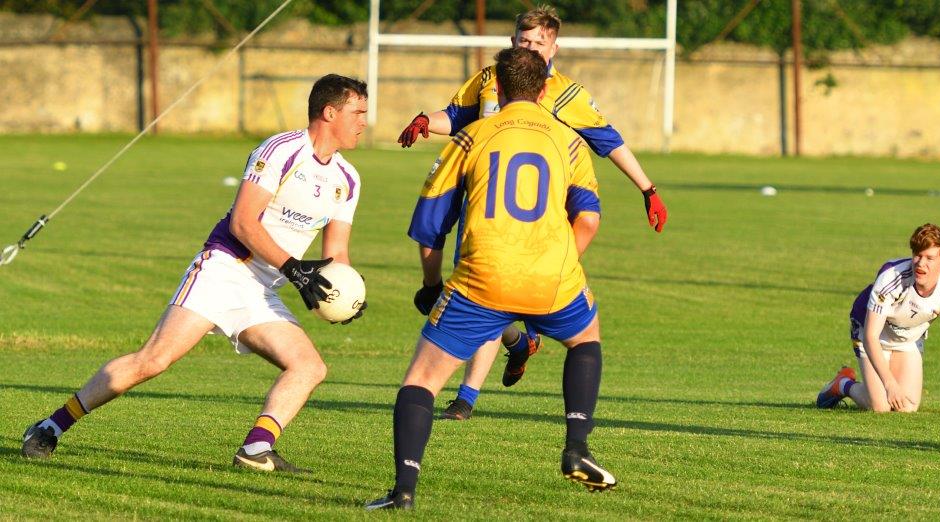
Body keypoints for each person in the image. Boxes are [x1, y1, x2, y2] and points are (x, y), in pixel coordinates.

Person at [20, 74, 369, 472]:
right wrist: (293, 268)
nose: (363, 122)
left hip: (262, 288)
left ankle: (256, 449)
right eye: (357, 112)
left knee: (309, 367)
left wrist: (346, 296)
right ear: (329, 112)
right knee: (153, 360)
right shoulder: (281, 150)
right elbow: (242, 223)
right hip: (222, 270)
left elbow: (336, 252)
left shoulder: (348, 179)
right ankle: (50, 426)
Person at [366, 48, 614, 511]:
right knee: (585, 338)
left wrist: (430, 285)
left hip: (482, 277)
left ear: (495, 87)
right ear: (544, 91)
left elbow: (430, 227)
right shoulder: (569, 141)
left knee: (421, 379)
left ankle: (403, 490)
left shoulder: (471, 137)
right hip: (552, 277)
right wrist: (561, 262)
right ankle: (577, 446)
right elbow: (589, 220)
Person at [399, 4, 663, 420]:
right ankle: (519, 344)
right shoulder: (490, 80)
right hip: (484, 209)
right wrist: (423, 120)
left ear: (555, 46)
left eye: (540, 42)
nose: (531, 47)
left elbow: (609, 140)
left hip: (540, 218)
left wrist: (647, 187)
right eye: (525, 41)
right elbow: (455, 117)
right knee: (487, 292)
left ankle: (467, 396)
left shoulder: (566, 93)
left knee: (490, 291)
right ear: (511, 41)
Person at [816, 224, 940, 414]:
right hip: (872, 331)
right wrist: (890, 384)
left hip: (908, 336)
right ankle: (843, 384)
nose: (920, 263)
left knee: (906, 407)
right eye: (917, 254)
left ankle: (864, 386)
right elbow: (870, 336)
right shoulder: (892, 276)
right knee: (881, 406)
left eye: (929, 258)